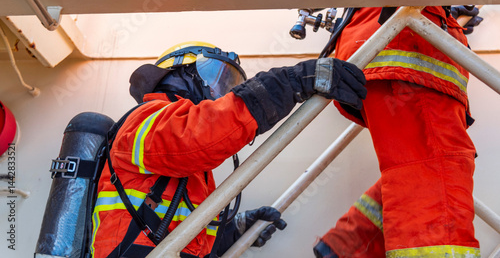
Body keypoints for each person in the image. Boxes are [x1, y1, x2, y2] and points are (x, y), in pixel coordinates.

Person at [90, 41, 367, 258]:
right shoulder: (147, 116)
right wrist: (289, 82)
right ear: (181, 73)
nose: (222, 93)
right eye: (216, 78)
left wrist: (234, 230)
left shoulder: (194, 169)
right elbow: (199, 135)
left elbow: (184, 234)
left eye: (229, 84)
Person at [313, 6, 483, 258]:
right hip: (408, 55)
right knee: (437, 166)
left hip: (401, 52)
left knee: (419, 166)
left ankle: (350, 243)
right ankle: (348, 244)